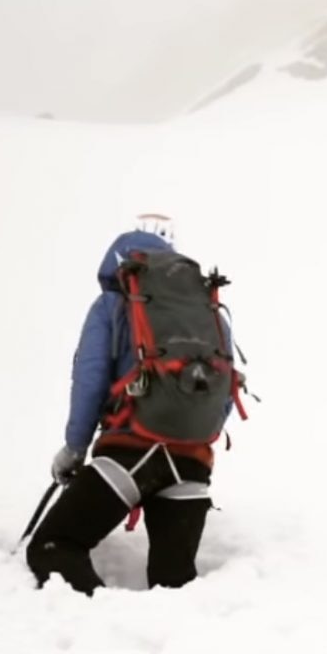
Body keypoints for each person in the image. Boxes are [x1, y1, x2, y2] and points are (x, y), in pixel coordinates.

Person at [27, 214, 228, 594]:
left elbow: (89, 380)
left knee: (55, 547)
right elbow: (223, 385)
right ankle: (178, 648)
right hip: (192, 464)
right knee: (175, 586)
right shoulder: (206, 308)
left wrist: (74, 449)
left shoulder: (112, 305)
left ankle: (96, 628)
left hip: (129, 454)